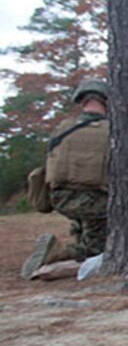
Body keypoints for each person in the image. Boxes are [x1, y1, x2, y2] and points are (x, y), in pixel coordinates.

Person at [21, 79, 110, 280]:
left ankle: (80, 237)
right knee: (98, 252)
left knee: (86, 222)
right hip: (95, 201)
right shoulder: (112, 130)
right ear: (106, 101)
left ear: (81, 100)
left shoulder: (63, 128)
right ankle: (59, 253)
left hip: (60, 198)